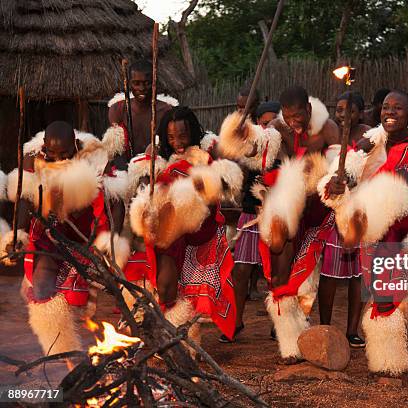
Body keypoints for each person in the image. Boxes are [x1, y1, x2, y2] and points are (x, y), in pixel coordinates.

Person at [321, 90, 408, 377]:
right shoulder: (369, 142)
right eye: (386, 107)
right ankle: (386, 362)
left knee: (394, 298)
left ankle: (390, 361)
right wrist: (339, 184)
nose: (390, 113)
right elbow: (347, 173)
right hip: (375, 232)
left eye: (398, 108)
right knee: (381, 296)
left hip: (405, 236)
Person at [217, 85, 339, 362]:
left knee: (306, 279)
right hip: (285, 205)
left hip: (316, 210)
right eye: (288, 116)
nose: (293, 122)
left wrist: (337, 180)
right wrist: (240, 136)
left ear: (308, 109)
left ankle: (304, 333)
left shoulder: (328, 130)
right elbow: (254, 150)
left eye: (298, 116)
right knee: (280, 273)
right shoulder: (277, 126)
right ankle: (289, 345)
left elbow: (340, 168)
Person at [1, 121, 129, 355]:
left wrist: (113, 238)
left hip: (85, 235)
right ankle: (60, 350)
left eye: (65, 154)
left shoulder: (95, 158)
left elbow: (116, 201)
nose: (59, 159)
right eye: (53, 154)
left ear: (76, 145)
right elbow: (26, 199)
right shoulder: (33, 160)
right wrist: (18, 234)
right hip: (50, 232)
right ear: (44, 147)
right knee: (42, 288)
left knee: (82, 296)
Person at [129, 106, 243, 343]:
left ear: (193, 132)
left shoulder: (205, 158)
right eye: (171, 137)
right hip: (168, 233)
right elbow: (144, 190)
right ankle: (173, 340)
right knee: (165, 286)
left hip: (198, 232)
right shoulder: (157, 160)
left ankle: (185, 343)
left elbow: (221, 190)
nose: (177, 142)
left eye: (182, 135)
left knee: (190, 292)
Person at [218, 100, 283, 343]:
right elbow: (230, 157)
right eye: (263, 123)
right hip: (250, 214)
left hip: (277, 216)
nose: (268, 128)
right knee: (242, 269)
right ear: (257, 124)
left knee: (276, 274)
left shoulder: (283, 147)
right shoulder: (249, 146)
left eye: (272, 124)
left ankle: (280, 322)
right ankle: (235, 321)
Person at [318, 91, 370, 348]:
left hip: (361, 211)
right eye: (338, 110)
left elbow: (376, 168)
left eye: (348, 110)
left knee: (357, 275)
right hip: (334, 211)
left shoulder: (369, 137)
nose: (342, 115)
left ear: (360, 113)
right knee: (329, 273)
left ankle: (352, 330)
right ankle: (325, 326)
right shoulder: (329, 134)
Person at [107, 60, 177, 164]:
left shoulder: (166, 111)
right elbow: (116, 150)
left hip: (157, 166)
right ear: (129, 83)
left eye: (147, 83)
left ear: (154, 83)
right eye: (136, 83)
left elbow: (170, 147)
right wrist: (128, 171)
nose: (142, 88)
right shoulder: (118, 109)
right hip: (125, 168)